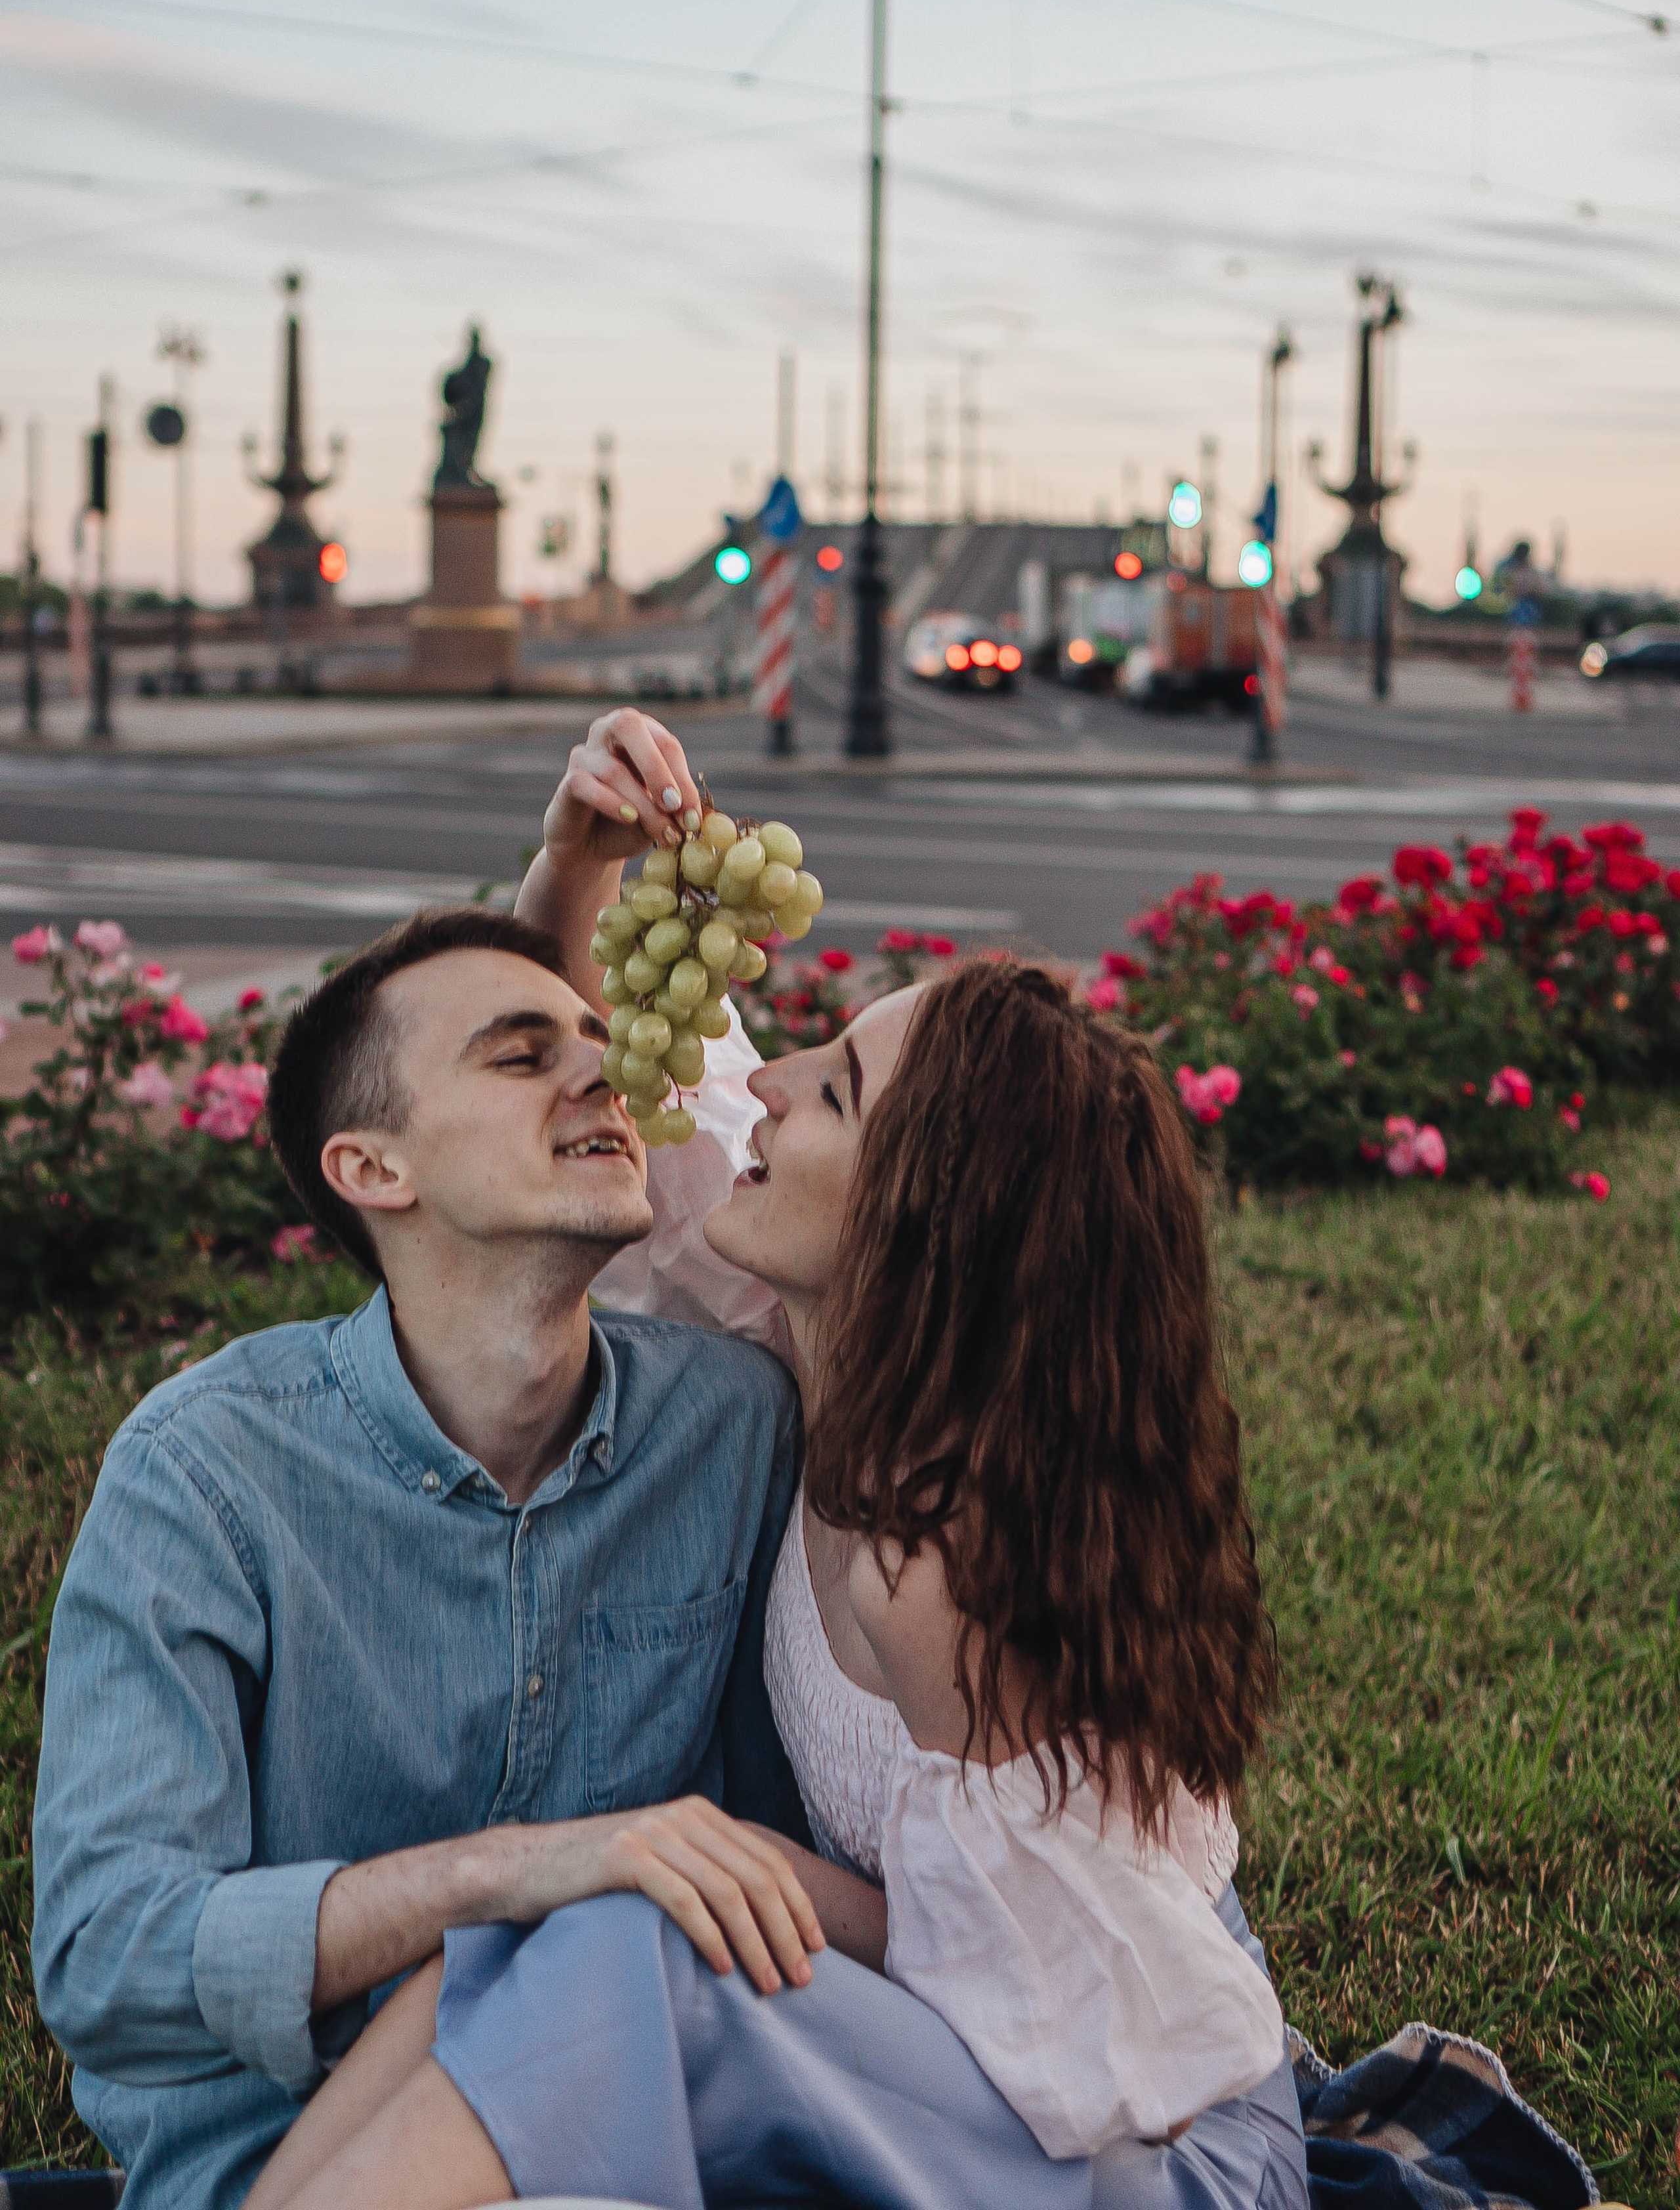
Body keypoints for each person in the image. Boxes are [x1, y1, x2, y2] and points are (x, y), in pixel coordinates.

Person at [249, 933, 1308, 2210]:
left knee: (628, 1940)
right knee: (541, 1916)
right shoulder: (820, 1360)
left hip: (1131, 2140)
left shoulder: (933, 1573)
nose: (767, 1081)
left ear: (918, 1216)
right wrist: (587, 857)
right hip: (1009, 2065)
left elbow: (1039, 2005)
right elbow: (636, 1086)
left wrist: (746, 1869)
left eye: (836, 1090)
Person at [30, 826, 830, 2210]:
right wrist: (522, 1873)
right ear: (373, 1171)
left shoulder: (732, 1427)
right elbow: (107, 1959)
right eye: (520, 1057)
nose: (604, 1069)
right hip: (273, 2156)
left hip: (627, 2124)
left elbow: (780, 1861)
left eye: (596, 1036)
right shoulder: (206, 1469)